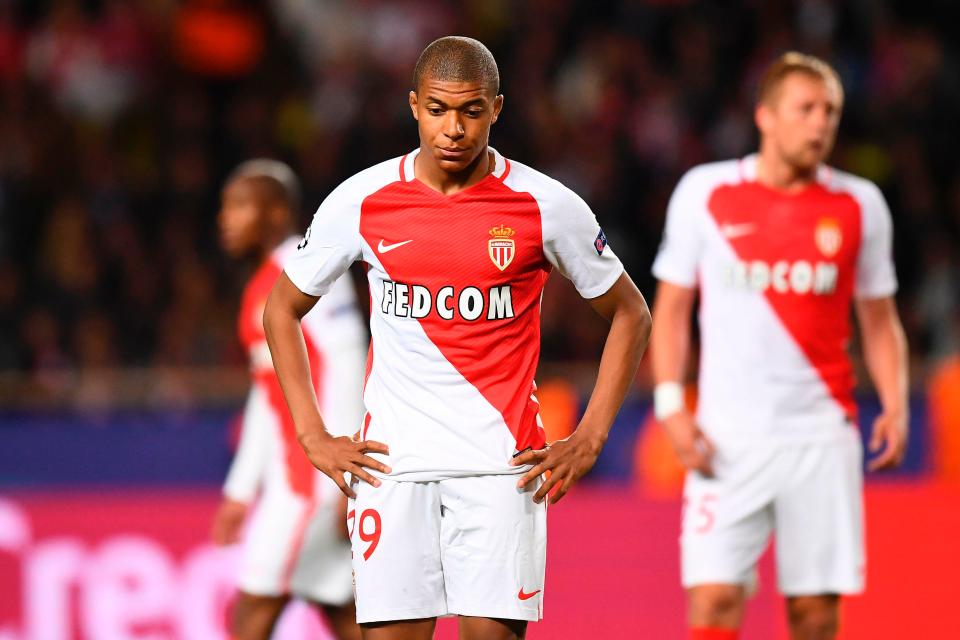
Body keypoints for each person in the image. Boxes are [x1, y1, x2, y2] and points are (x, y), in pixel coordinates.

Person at [263, 36, 651, 640]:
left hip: (502, 469)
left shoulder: (545, 205)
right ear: (413, 106)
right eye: (439, 109)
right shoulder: (361, 201)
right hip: (391, 467)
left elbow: (631, 313)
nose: (453, 129)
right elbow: (282, 308)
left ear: (496, 109)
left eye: (471, 111)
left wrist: (591, 435)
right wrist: (313, 435)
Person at [650, 52, 909, 640]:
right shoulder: (705, 193)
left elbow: (878, 317)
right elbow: (671, 310)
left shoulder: (859, 205)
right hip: (726, 438)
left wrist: (896, 402)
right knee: (714, 600)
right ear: (766, 116)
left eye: (831, 112)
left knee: (813, 612)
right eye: (806, 109)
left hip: (820, 437)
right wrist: (671, 407)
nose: (821, 124)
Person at [210, 159, 366, 640]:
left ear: (276, 212)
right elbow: (269, 390)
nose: (225, 218)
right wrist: (242, 488)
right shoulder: (264, 281)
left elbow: (348, 365)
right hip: (295, 478)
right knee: (341, 609)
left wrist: (347, 478)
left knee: (253, 609)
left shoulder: (310, 270)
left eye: (239, 205)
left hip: (313, 481)